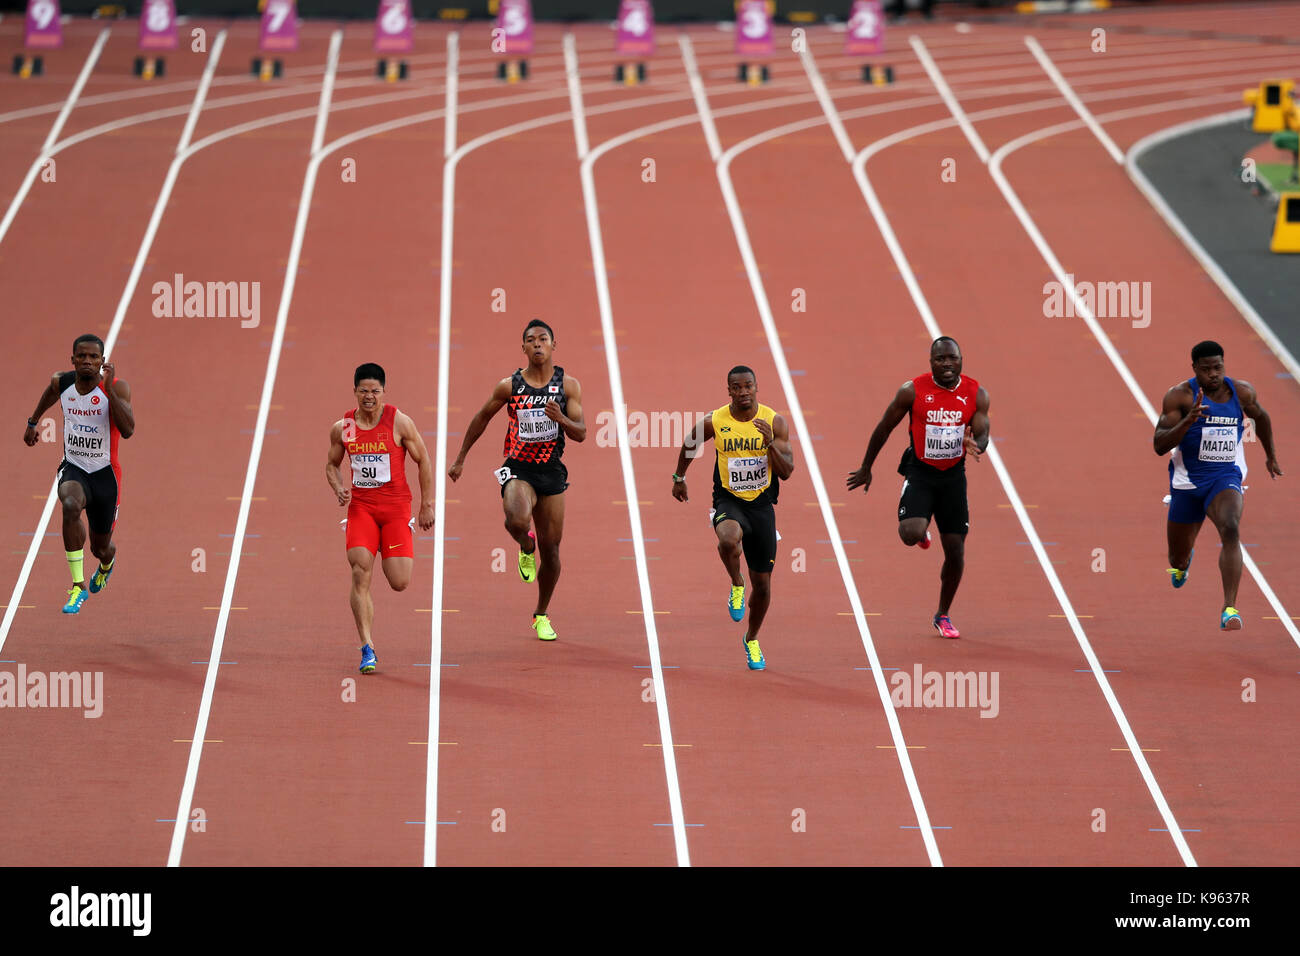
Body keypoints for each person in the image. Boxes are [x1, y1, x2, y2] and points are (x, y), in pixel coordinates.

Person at [448, 319, 585, 642]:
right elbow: (482, 418)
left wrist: (561, 418)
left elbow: (581, 433)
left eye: (543, 339)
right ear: (522, 348)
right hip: (519, 468)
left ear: (553, 345)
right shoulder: (510, 386)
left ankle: (541, 615)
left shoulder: (568, 386)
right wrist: (461, 458)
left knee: (552, 552)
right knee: (516, 519)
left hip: (551, 472)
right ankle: (525, 544)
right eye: (530, 340)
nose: (537, 344)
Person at [846, 336, 989, 639]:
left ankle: (943, 614)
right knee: (909, 533)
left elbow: (983, 431)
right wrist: (866, 466)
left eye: (952, 358)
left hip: (953, 477)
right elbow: (884, 427)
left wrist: (978, 443)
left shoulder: (976, 393)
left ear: (961, 360)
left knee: (955, 551)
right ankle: (921, 527)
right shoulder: (912, 391)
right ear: (931, 362)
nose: (947, 364)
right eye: (940, 359)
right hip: (921, 472)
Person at [672, 366, 794, 671]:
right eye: (736, 388)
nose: (742, 392)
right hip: (729, 500)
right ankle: (736, 582)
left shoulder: (774, 421)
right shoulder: (716, 420)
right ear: (729, 391)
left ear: (756, 388)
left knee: (764, 588)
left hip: (762, 506)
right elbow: (691, 441)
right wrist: (679, 477)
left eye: (747, 387)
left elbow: (787, 471)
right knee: (728, 539)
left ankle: (752, 639)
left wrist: (767, 445)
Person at [1154, 340, 1282, 630]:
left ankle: (1229, 609)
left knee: (1231, 527)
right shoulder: (1180, 397)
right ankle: (1184, 563)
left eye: (1218, 367)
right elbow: (1159, 445)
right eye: (1206, 369)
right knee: (1178, 558)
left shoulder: (1242, 392)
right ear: (1194, 369)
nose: (1213, 374)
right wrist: (1188, 422)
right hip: (1187, 484)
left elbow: (1261, 417)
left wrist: (1270, 455)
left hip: (1225, 477)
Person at [327, 363, 435, 674]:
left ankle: (389, 544)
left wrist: (427, 505)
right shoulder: (344, 427)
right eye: (364, 391)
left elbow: (423, 459)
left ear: (383, 392)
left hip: (395, 509)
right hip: (361, 508)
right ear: (355, 392)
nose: (369, 396)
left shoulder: (399, 423)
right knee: (360, 569)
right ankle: (367, 648)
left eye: (375, 391)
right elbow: (331, 465)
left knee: (400, 581)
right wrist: (338, 487)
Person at [23, 334, 134, 614]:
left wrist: (107, 389)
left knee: (100, 548)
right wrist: (33, 422)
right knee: (70, 504)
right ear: (72, 359)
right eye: (81, 356)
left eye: (93, 357)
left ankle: (106, 564)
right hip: (75, 467)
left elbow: (129, 430)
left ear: (102, 361)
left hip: (105, 476)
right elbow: (51, 392)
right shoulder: (62, 382)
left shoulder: (118, 389)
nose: (87, 361)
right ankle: (77, 586)